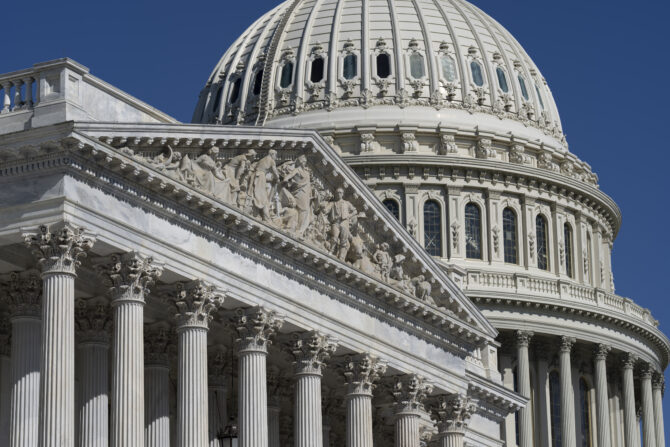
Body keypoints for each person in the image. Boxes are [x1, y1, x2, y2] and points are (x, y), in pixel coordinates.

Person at [281, 155, 312, 237]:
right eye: (303, 161)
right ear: (300, 161)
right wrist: (285, 179)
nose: (304, 163)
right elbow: (290, 175)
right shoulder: (297, 170)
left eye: (305, 161)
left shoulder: (307, 173)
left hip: (306, 193)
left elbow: (309, 184)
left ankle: (299, 229)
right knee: (303, 209)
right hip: (299, 192)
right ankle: (298, 229)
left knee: (305, 210)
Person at [326, 188, 359, 260]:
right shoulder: (332, 203)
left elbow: (355, 211)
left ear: (342, 194)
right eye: (337, 192)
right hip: (335, 222)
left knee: (343, 240)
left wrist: (348, 216)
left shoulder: (346, 203)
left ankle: (341, 257)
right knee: (334, 237)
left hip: (344, 222)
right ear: (335, 194)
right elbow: (325, 210)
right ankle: (331, 251)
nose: (339, 194)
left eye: (340, 192)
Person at [249, 150, 280, 222]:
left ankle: (258, 212)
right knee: (262, 196)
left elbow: (260, 172)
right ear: (272, 154)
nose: (276, 157)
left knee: (258, 194)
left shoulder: (262, 160)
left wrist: (271, 180)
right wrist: (277, 178)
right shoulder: (271, 160)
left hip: (256, 176)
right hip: (260, 177)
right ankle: (264, 215)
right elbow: (275, 171)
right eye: (275, 155)